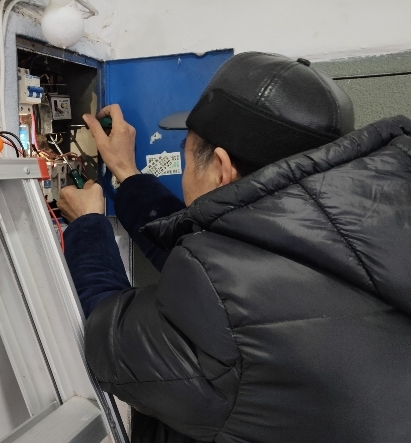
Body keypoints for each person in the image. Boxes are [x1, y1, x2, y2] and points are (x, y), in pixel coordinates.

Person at [58, 52, 411, 443]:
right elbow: (227, 262)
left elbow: (112, 341)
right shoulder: (370, 230)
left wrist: (87, 226)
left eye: (187, 155)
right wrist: (127, 173)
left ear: (222, 169)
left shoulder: (229, 322)